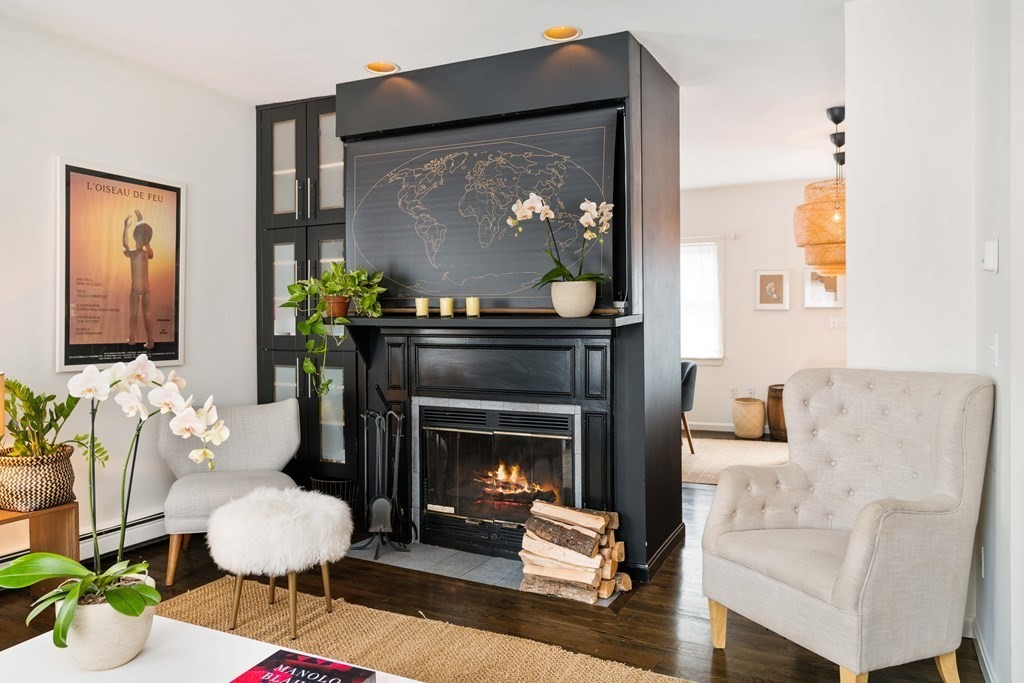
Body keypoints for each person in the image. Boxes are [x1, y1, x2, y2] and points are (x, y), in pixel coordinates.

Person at [122, 210, 155, 349]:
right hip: (145, 289)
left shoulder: (134, 253)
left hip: (136, 289)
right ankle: (149, 340)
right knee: (146, 315)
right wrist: (140, 221)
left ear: (135, 238)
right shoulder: (147, 253)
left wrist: (126, 228)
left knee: (134, 314)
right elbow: (144, 237)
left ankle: (132, 338)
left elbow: (125, 244)